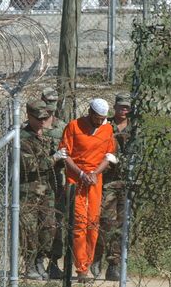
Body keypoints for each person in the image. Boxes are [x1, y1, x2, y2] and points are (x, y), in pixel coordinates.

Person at [59, 98, 117, 282]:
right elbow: (64, 154)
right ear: (90, 112)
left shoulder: (107, 129)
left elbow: (109, 156)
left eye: (103, 118)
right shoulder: (74, 126)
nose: (100, 122)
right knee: (79, 224)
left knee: (93, 224)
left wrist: (94, 173)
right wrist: (81, 173)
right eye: (98, 118)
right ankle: (81, 269)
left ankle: (89, 262)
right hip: (76, 179)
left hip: (94, 180)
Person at [20, 100, 68, 280]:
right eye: (38, 118)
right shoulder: (23, 138)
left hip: (47, 190)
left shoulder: (46, 136)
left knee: (48, 227)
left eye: (45, 118)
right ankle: (30, 265)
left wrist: (63, 159)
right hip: (29, 191)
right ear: (29, 116)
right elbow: (29, 165)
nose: (42, 122)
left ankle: (41, 260)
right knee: (29, 230)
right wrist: (53, 159)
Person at [91, 93, 131, 281]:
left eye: (127, 107)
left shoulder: (135, 127)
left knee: (122, 225)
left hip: (127, 182)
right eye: (121, 106)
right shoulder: (105, 125)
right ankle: (96, 256)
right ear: (115, 107)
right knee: (106, 222)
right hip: (108, 180)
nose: (124, 110)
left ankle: (114, 265)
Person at [41, 87, 67, 279]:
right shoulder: (33, 125)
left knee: (57, 222)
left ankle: (53, 262)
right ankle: (35, 261)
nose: (50, 107)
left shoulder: (62, 127)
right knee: (37, 221)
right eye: (47, 102)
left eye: (53, 103)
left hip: (57, 179)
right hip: (37, 180)